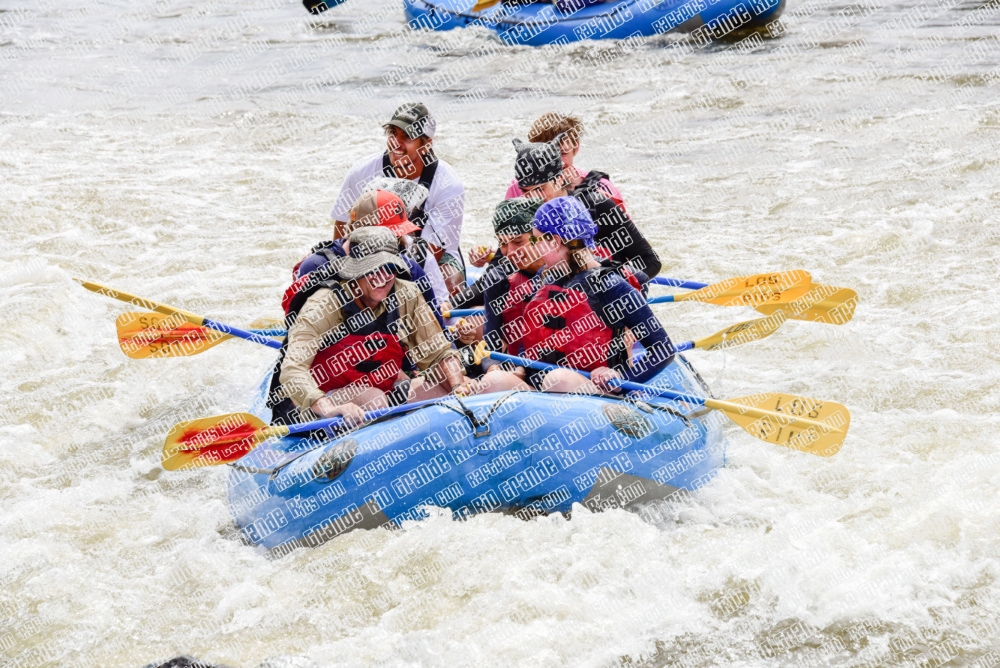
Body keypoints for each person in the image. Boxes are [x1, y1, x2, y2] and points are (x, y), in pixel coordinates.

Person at [267, 227, 478, 427]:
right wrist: (329, 408)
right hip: (323, 401)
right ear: (356, 270)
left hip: (382, 388)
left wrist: (459, 386)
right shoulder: (323, 305)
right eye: (374, 268)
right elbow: (293, 371)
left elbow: (439, 352)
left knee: (455, 386)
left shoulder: (407, 293)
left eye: (389, 268)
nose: (383, 277)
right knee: (373, 400)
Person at [482, 197, 675, 396]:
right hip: (539, 391)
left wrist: (621, 379)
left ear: (554, 242)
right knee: (492, 381)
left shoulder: (611, 286)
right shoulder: (545, 277)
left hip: (595, 394)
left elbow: (663, 349)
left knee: (558, 379)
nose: (534, 248)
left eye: (535, 240)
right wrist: (521, 369)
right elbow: (533, 336)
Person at [473, 134, 662, 282]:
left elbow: (650, 262)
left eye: (541, 189)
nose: (534, 199)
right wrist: (453, 304)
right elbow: (496, 272)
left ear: (560, 179)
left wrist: (607, 283)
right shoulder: (522, 215)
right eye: (525, 191)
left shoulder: (596, 205)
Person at [329, 103, 467, 298]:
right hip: (366, 249)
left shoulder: (449, 185)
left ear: (426, 144)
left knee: (449, 284)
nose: (396, 143)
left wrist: (389, 278)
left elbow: (432, 253)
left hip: (429, 253)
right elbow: (342, 226)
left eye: (407, 137)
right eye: (393, 133)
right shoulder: (361, 172)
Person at [288, 189, 449, 316]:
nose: (397, 239)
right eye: (390, 233)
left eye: (398, 233)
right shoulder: (315, 267)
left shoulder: (412, 269)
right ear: (360, 230)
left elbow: (435, 332)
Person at [503, 113, 626, 211]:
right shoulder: (517, 187)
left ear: (575, 148)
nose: (556, 163)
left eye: (562, 153)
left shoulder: (601, 188)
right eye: (544, 157)